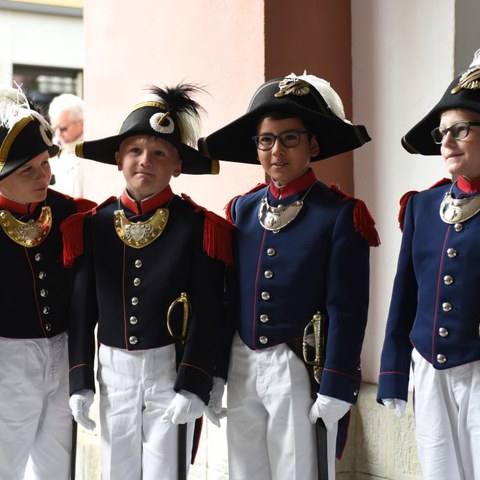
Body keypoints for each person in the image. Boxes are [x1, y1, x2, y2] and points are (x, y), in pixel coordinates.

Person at [199, 73, 380, 480]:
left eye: (289, 138)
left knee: (298, 471)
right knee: (244, 471)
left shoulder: (340, 213)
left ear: (312, 145)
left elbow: (348, 310)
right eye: (266, 140)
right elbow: (228, 298)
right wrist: (215, 372)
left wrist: (337, 383)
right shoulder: (241, 210)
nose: (276, 150)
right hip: (242, 357)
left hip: (297, 365)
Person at [67, 84, 233, 479]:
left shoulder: (198, 227)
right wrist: (79, 379)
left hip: (169, 368)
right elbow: (81, 309)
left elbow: (210, 311)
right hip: (112, 367)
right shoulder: (93, 225)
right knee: (116, 470)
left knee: (165, 472)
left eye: (160, 153)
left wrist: (195, 381)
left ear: (177, 164)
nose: (146, 161)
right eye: (136, 151)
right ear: (118, 158)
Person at [377, 49, 480, 480]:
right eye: (441, 134)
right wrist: (393, 371)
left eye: (460, 130)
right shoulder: (422, 205)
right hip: (429, 367)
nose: (447, 143)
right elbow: (406, 294)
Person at [0, 86, 94, 480]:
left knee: (57, 466)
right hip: (7, 359)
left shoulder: (67, 211)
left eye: (44, 163)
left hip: (62, 352)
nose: (44, 176)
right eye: (28, 170)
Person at [48, 93, 84, 197]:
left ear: (81, 123)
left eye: (63, 128)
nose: (58, 134)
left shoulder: (91, 151)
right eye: (55, 128)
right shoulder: (52, 148)